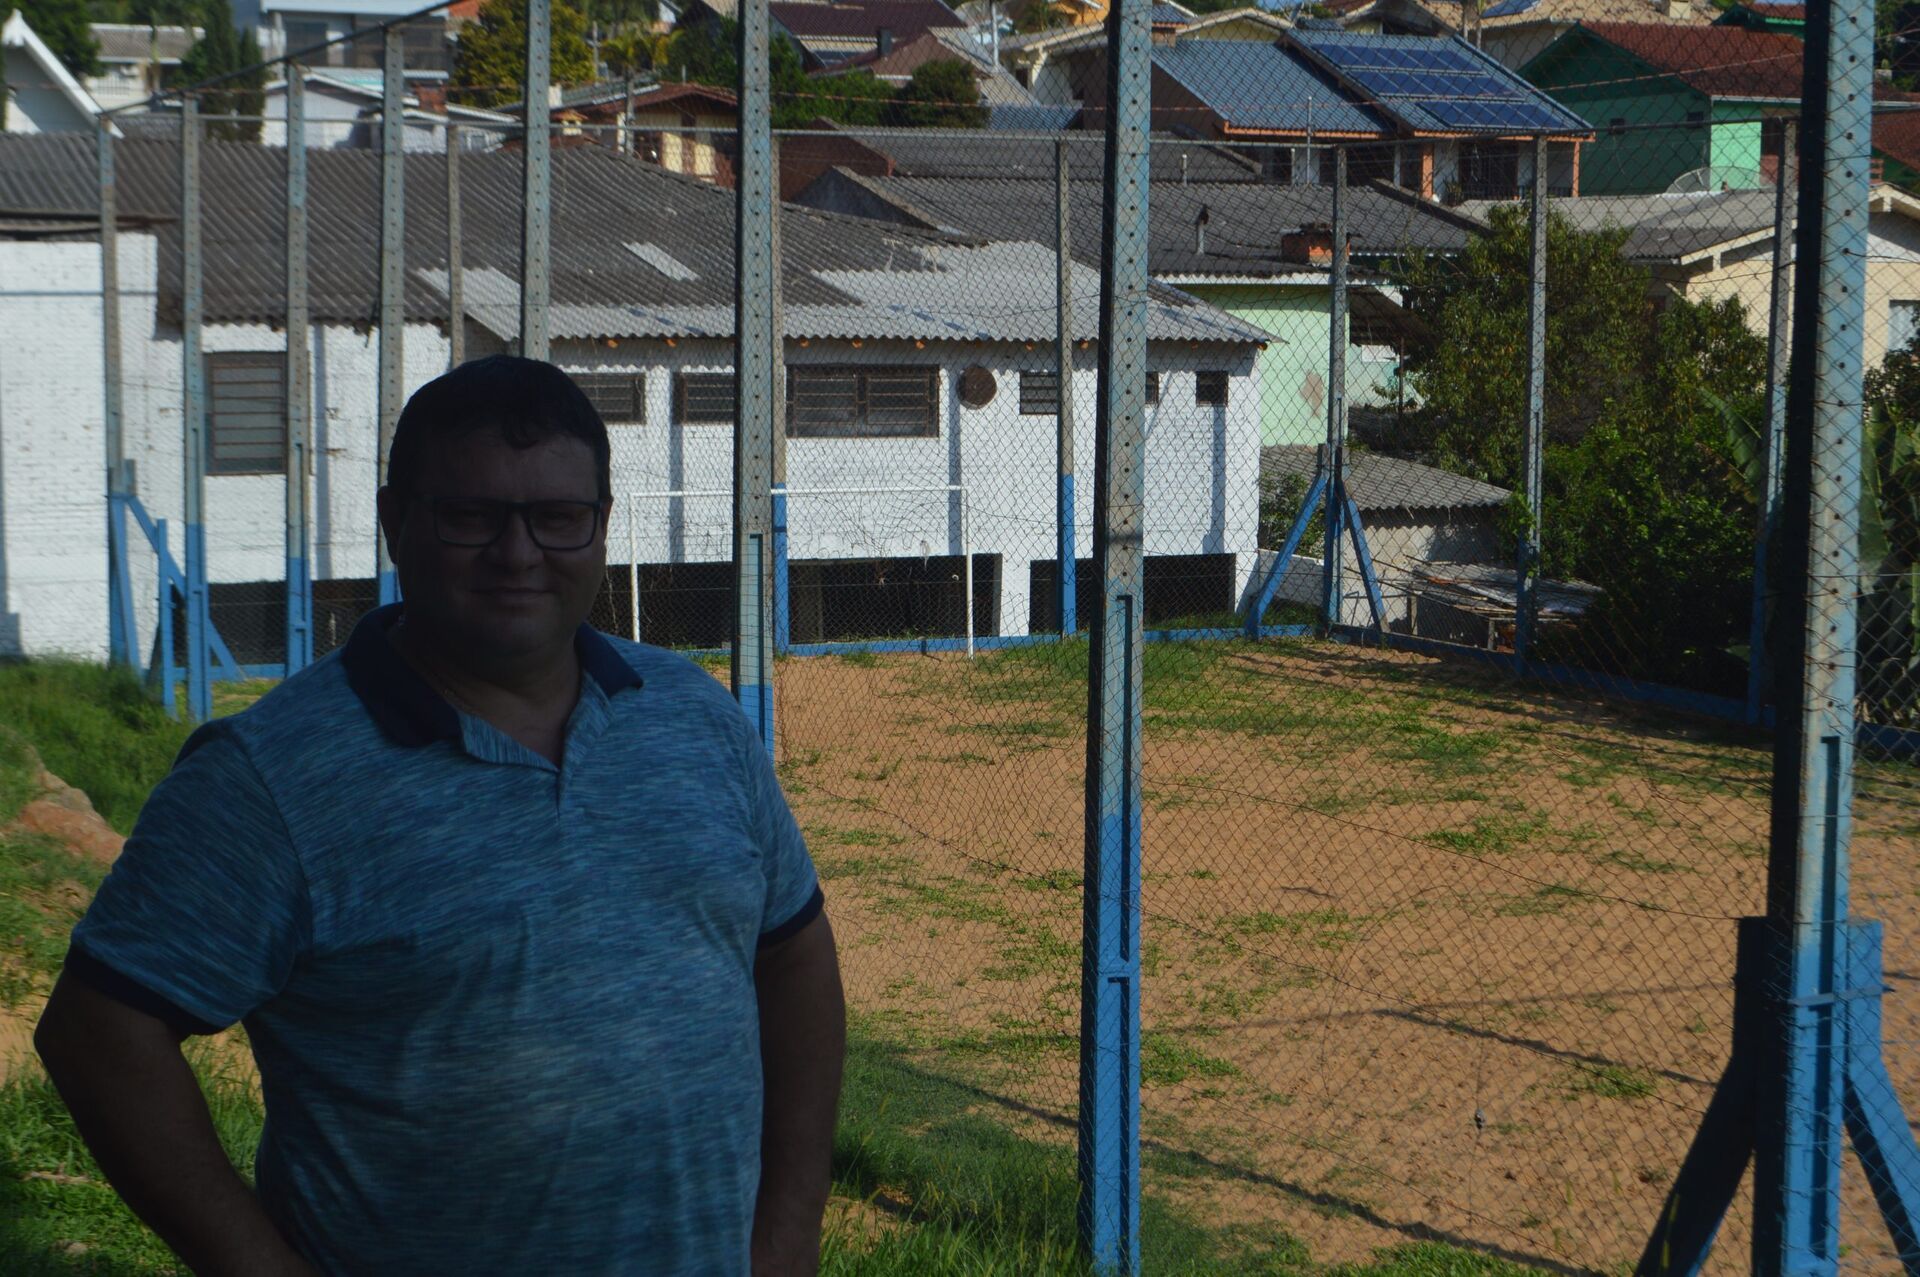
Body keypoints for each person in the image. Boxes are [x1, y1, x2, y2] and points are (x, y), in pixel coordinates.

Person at [34, 355, 846, 1276]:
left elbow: (794, 951)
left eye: (557, 517)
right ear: (395, 525)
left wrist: (788, 1229)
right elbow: (99, 1032)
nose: (518, 552)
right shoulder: (269, 777)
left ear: (601, 527)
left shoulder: (692, 714)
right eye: (471, 516)